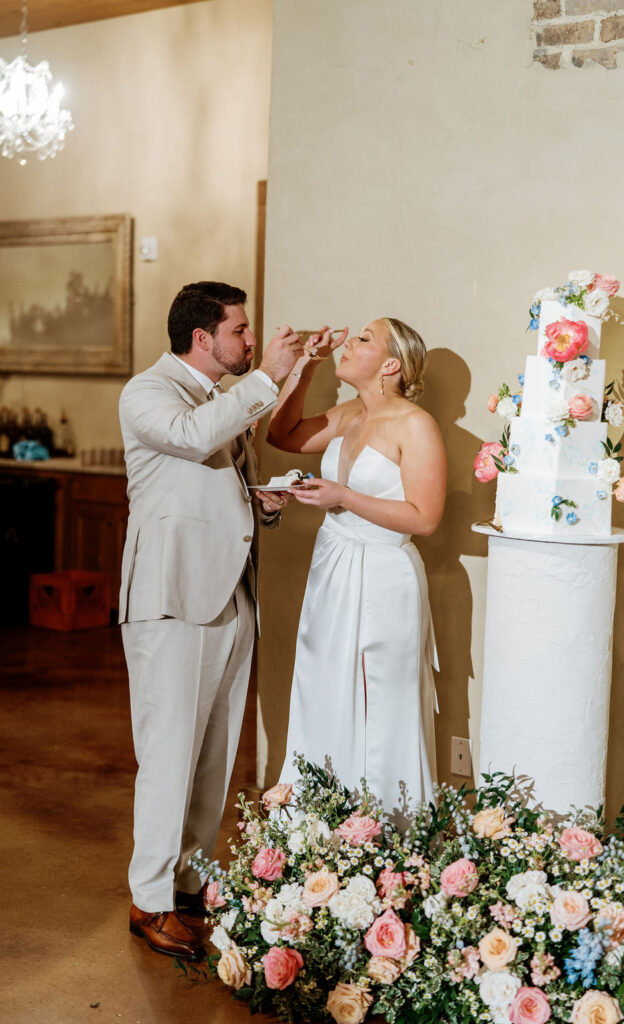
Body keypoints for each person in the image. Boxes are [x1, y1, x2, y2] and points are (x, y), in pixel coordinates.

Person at [119, 281, 304, 961]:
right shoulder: (147, 392)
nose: (249, 341)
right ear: (203, 337)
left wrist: (263, 504)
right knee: (168, 753)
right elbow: (194, 441)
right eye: (241, 330)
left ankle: (188, 879)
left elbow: (210, 481)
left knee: (213, 754)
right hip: (170, 600)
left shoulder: (217, 398)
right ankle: (148, 899)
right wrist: (270, 377)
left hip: (230, 593)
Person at [267, 318, 446, 824]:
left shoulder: (415, 425)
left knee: (381, 702)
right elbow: (282, 434)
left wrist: (343, 496)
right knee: (322, 688)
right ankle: (317, 828)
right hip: (334, 566)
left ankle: (385, 833)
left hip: (384, 574)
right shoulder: (349, 413)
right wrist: (306, 367)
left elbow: (425, 517)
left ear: (391, 364)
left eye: (363, 339)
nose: (349, 343)